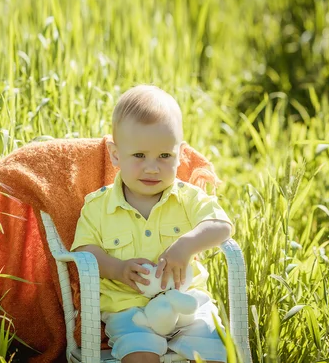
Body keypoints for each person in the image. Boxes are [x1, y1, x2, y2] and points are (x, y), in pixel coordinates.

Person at [70, 85, 233, 363]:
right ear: (115, 154)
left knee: (212, 353)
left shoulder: (187, 197)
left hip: (187, 305)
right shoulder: (98, 206)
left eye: (164, 156)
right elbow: (85, 252)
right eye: (139, 156)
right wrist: (119, 269)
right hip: (129, 310)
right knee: (140, 356)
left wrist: (186, 245)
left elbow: (221, 226)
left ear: (180, 154)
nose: (152, 167)